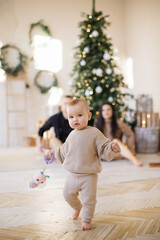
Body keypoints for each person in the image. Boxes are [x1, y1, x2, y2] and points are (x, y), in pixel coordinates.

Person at [48, 98, 120, 230]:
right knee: (67, 194)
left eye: (79, 115)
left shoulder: (94, 133)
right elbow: (64, 151)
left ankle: (86, 220)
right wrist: (54, 152)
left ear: (89, 116)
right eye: (71, 117)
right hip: (72, 174)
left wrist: (111, 148)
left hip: (89, 175)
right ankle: (77, 207)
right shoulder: (71, 135)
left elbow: (104, 146)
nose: (75, 119)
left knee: (89, 200)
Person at [95, 102, 143, 167]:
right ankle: (126, 155)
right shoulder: (97, 123)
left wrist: (130, 148)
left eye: (108, 109)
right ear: (101, 112)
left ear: (112, 111)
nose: (106, 112)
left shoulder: (118, 122)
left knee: (115, 141)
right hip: (103, 151)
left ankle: (133, 159)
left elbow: (130, 134)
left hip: (115, 149)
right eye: (103, 110)